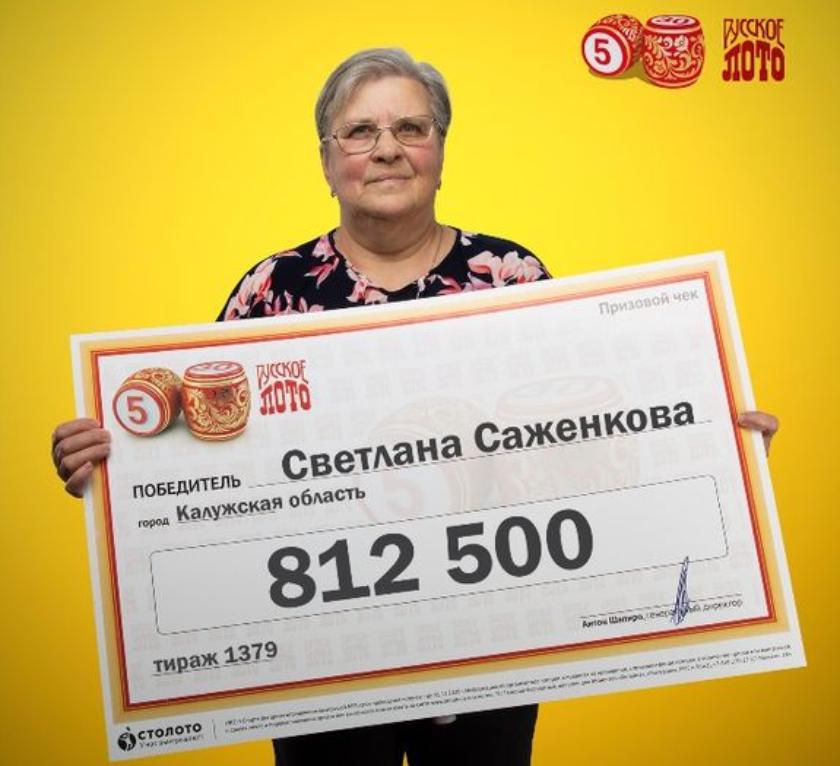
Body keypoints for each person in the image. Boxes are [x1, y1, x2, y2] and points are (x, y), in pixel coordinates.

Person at [51, 48, 780, 766]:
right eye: (359, 131)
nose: (387, 149)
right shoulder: (272, 290)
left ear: (440, 150)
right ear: (327, 161)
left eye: (411, 127)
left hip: (492, 639)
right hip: (321, 651)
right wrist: (114, 470)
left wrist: (716, 448)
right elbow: (206, 457)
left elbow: (585, 437)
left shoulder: (511, 278)